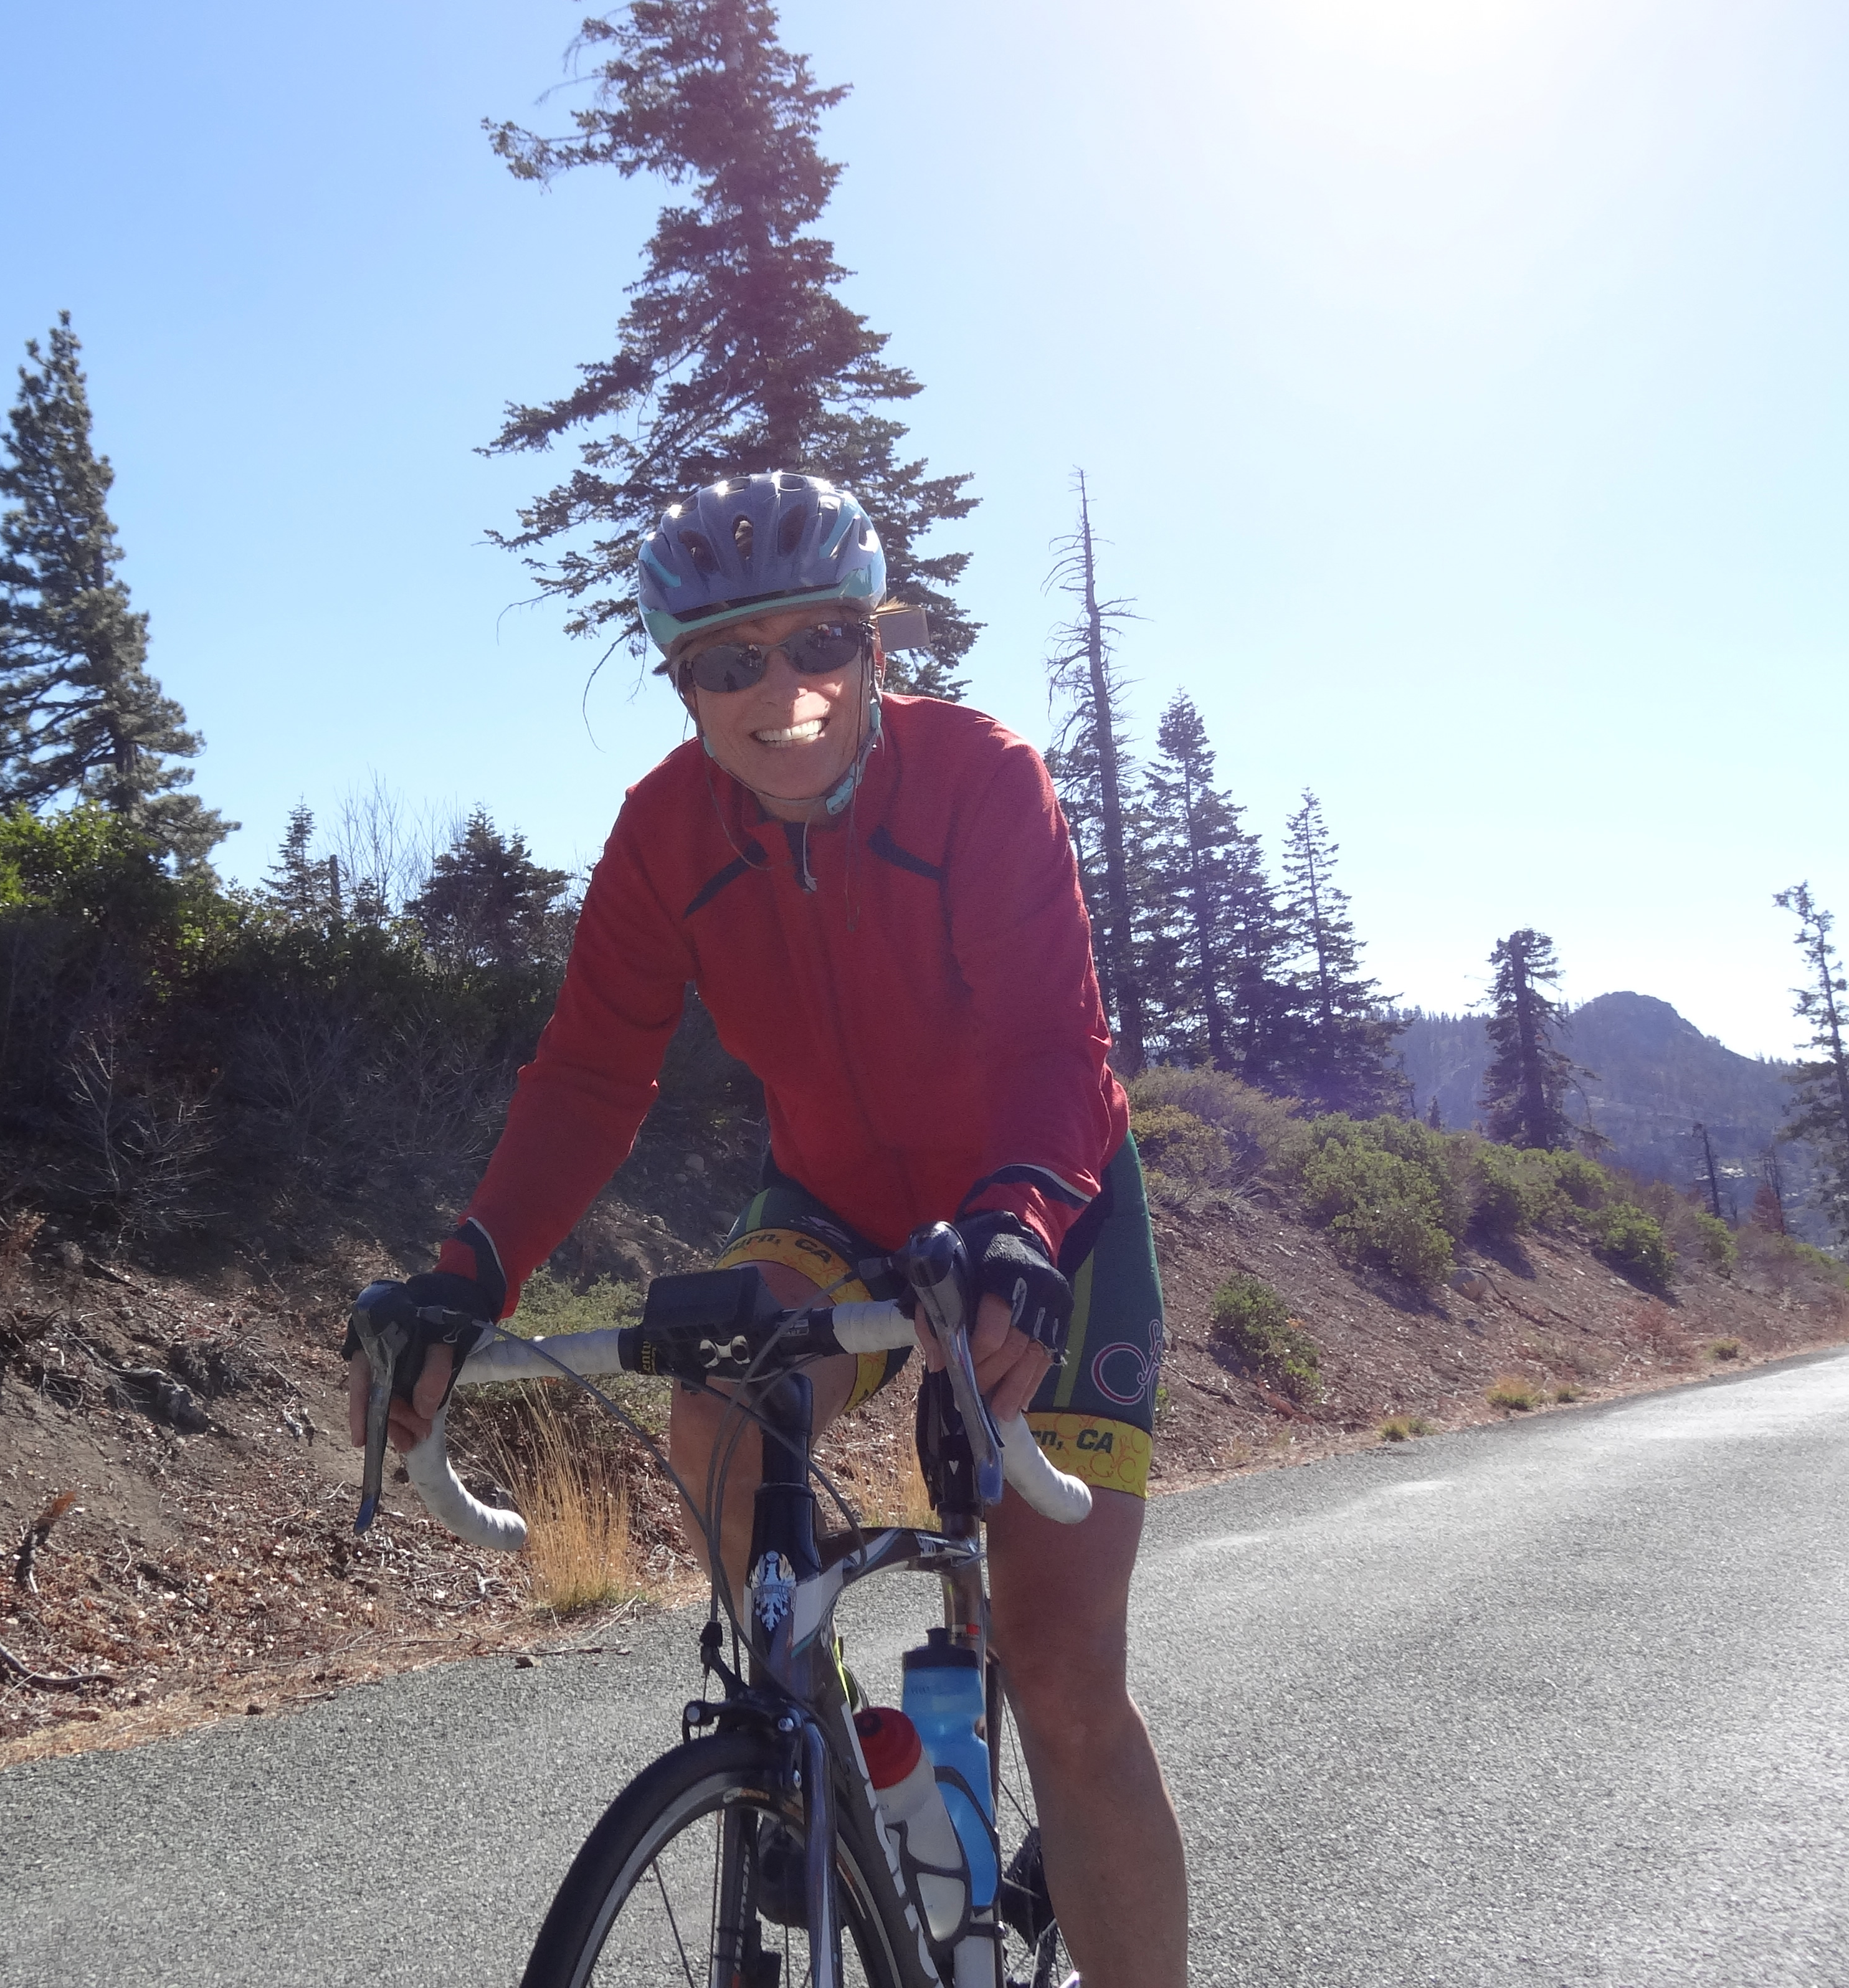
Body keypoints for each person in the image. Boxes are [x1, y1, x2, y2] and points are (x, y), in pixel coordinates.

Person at [348, 470, 1187, 1985]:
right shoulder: (664, 834)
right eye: (730, 661)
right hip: (833, 1206)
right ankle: (841, 1772)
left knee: (1064, 1680)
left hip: (1042, 1206)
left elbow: (1054, 1046)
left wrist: (1015, 1222)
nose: (779, 690)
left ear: (875, 645)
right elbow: (588, 1079)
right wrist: (471, 1273)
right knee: (717, 1418)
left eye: (819, 645)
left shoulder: (981, 776)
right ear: (683, 684)